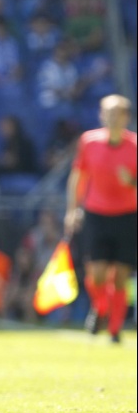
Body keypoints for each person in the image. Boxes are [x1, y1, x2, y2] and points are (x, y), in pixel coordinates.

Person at [64, 94, 137, 343]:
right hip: (96, 213)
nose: (112, 117)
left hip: (128, 215)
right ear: (101, 115)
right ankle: (101, 307)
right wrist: (72, 209)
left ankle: (115, 329)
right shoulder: (89, 141)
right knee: (96, 273)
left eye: (118, 112)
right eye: (108, 112)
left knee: (120, 276)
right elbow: (79, 176)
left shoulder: (135, 146)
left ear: (126, 117)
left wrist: (132, 182)